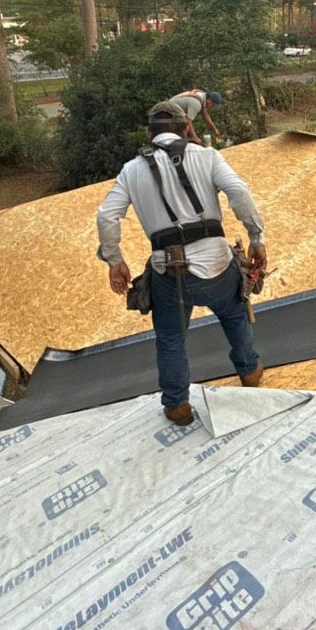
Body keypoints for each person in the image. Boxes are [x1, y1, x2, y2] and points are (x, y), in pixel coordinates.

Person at [96, 100, 268, 425]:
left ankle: (177, 405)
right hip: (217, 265)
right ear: (187, 129)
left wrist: (114, 261)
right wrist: (256, 237)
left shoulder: (132, 170)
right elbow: (239, 192)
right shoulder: (207, 156)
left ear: (149, 135)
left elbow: (107, 216)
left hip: (168, 272)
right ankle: (249, 371)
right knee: (234, 313)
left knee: (171, 338)